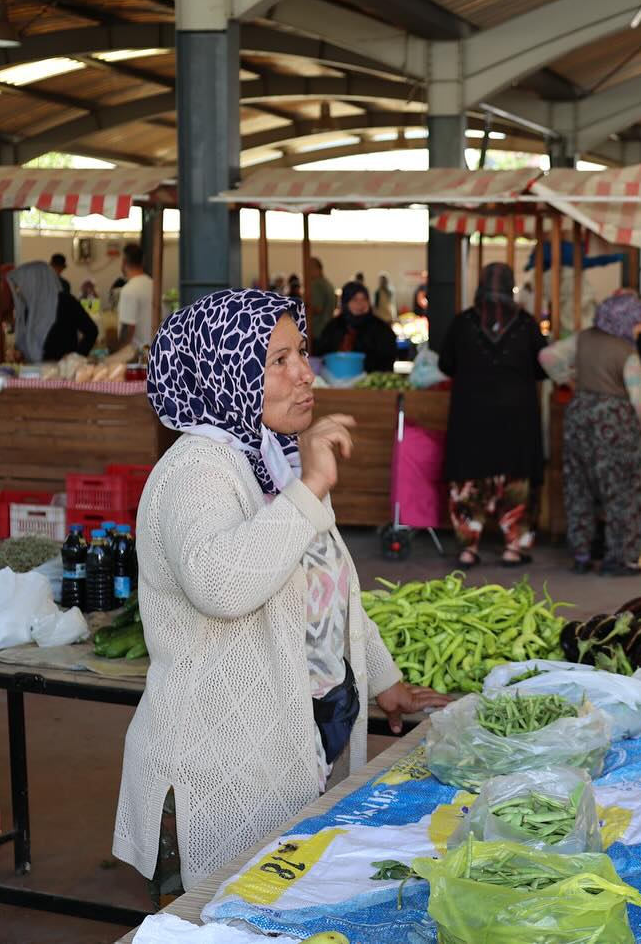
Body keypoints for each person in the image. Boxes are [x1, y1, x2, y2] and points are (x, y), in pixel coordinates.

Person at [115, 288, 449, 904]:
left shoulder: (273, 457)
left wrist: (383, 680)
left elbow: (329, 585)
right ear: (227, 372)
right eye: (279, 360)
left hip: (292, 737)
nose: (305, 374)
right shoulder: (198, 470)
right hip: (223, 755)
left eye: (303, 353)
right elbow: (221, 586)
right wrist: (314, 485)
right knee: (229, 911)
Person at [540, 289, 641, 577]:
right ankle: (619, 560)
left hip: (579, 416)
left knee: (578, 486)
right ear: (623, 320)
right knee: (623, 492)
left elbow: (546, 355)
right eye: (637, 321)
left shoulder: (582, 338)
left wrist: (566, 378)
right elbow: (640, 399)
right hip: (615, 424)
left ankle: (582, 555)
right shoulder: (626, 352)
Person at [438, 263, 547, 568]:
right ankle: (513, 547)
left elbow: (446, 365)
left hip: (471, 418)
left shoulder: (462, 323)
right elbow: (542, 368)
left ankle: (468, 549)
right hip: (517, 419)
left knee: (469, 483)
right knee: (515, 483)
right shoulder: (526, 324)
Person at [314, 281, 398, 373]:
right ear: (345, 302)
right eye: (354, 299)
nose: (360, 304)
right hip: (336, 382)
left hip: (370, 383)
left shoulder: (381, 329)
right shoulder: (334, 327)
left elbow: (387, 360)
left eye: (364, 299)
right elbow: (322, 355)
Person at [117, 242, 155, 353]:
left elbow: (128, 328)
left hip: (137, 355)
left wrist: (119, 353)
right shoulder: (153, 285)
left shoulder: (129, 290)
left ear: (124, 262)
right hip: (154, 350)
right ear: (142, 261)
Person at [306, 257, 336, 340]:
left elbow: (317, 309)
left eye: (307, 269)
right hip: (327, 328)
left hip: (317, 330)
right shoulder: (327, 284)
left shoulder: (315, 284)